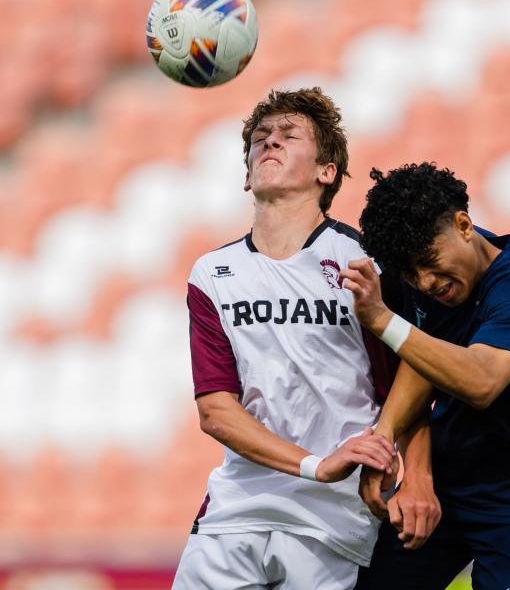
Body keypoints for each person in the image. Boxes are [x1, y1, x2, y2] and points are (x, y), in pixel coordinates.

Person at [172, 88, 403, 590]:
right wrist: (315, 465)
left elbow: (406, 383)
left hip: (332, 519)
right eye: (259, 138)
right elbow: (216, 410)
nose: (268, 143)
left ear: (327, 171)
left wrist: (405, 468)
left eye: (287, 135)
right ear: (247, 174)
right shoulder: (212, 273)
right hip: (237, 510)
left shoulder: (362, 261)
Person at [341, 162, 510, 590]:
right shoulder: (424, 279)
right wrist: (385, 441)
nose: (425, 282)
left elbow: (480, 383)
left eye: (429, 263)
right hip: (447, 484)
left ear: (464, 224)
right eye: (411, 273)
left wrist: (382, 320)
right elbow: (421, 356)